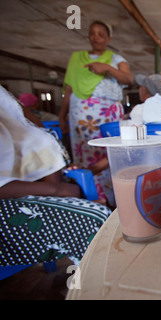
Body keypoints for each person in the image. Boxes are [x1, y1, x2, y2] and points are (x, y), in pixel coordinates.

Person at [0, 85, 112, 266]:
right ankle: (94, 286)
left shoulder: (10, 115)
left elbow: (35, 134)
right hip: (18, 194)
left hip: (27, 186)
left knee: (95, 211)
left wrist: (55, 174)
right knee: (96, 217)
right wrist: (55, 189)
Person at [59, 20, 133, 205]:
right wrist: (62, 116)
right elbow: (69, 90)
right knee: (85, 154)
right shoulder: (77, 59)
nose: (96, 37)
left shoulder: (116, 59)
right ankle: (93, 200)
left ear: (108, 38)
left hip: (106, 116)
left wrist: (107, 68)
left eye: (101, 34)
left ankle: (115, 199)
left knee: (110, 153)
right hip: (80, 119)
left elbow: (129, 79)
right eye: (92, 33)